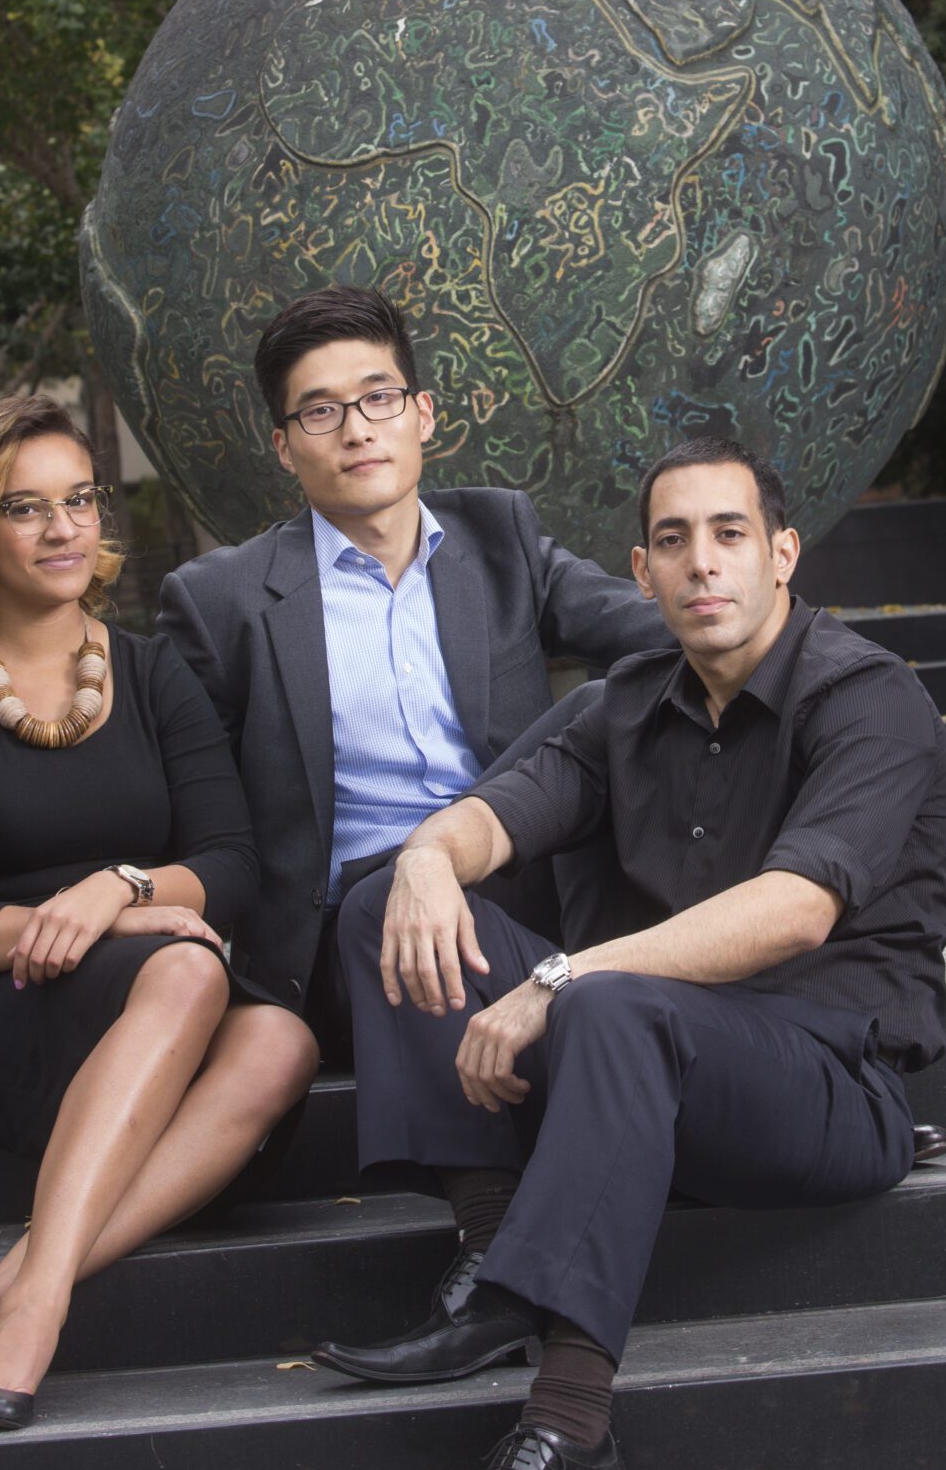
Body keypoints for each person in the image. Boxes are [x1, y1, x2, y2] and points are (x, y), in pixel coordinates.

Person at [315, 433, 946, 1470]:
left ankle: (568, 1441)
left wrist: (564, 973)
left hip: (824, 1084)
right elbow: (495, 812)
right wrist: (424, 856)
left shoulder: (869, 696)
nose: (703, 564)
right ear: (644, 569)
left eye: (728, 535)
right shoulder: (626, 701)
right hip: (635, 1075)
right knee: (384, 906)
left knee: (613, 998)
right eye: (674, 542)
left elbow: (795, 910)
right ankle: (493, 1250)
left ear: (782, 554)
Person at [0, 394, 317, 1430]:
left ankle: (3, 1295)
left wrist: (116, 888)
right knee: (193, 967)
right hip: (3, 1008)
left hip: (150, 981)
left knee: (284, 1044)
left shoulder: (155, 675)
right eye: (25, 509)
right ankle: (34, 1316)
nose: (65, 528)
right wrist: (93, 925)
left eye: (78, 500)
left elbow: (229, 862)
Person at [156, 283, 667, 1060]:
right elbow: (180, 799)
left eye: (378, 399)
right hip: (351, 934)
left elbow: (657, 634)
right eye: (320, 411)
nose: (356, 431)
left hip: (514, 894)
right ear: (285, 446)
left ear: (422, 413)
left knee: (625, 696)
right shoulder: (223, 601)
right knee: (385, 903)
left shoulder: (500, 539)